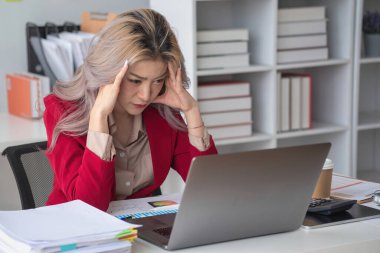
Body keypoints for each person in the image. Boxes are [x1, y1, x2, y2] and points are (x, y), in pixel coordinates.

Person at [43, 8, 218, 211]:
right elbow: (89, 208)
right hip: (73, 230)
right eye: (135, 81)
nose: (146, 95)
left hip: (139, 231)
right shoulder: (63, 111)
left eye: (157, 80)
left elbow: (210, 189)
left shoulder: (161, 111)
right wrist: (99, 117)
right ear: (109, 72)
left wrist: (192, 111)